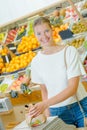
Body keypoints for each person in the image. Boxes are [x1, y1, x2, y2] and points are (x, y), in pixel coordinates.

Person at [29, 17, 87, 128]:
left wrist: (45, 104)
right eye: (39, 33)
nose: (44, 36)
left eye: (46, 31)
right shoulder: (36, 62)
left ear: (52, 30)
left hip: (80, 106)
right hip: (56, 111)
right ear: (35, 36)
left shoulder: (69, 51)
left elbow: (72, 88)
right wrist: (48, 117)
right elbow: (44, 91)